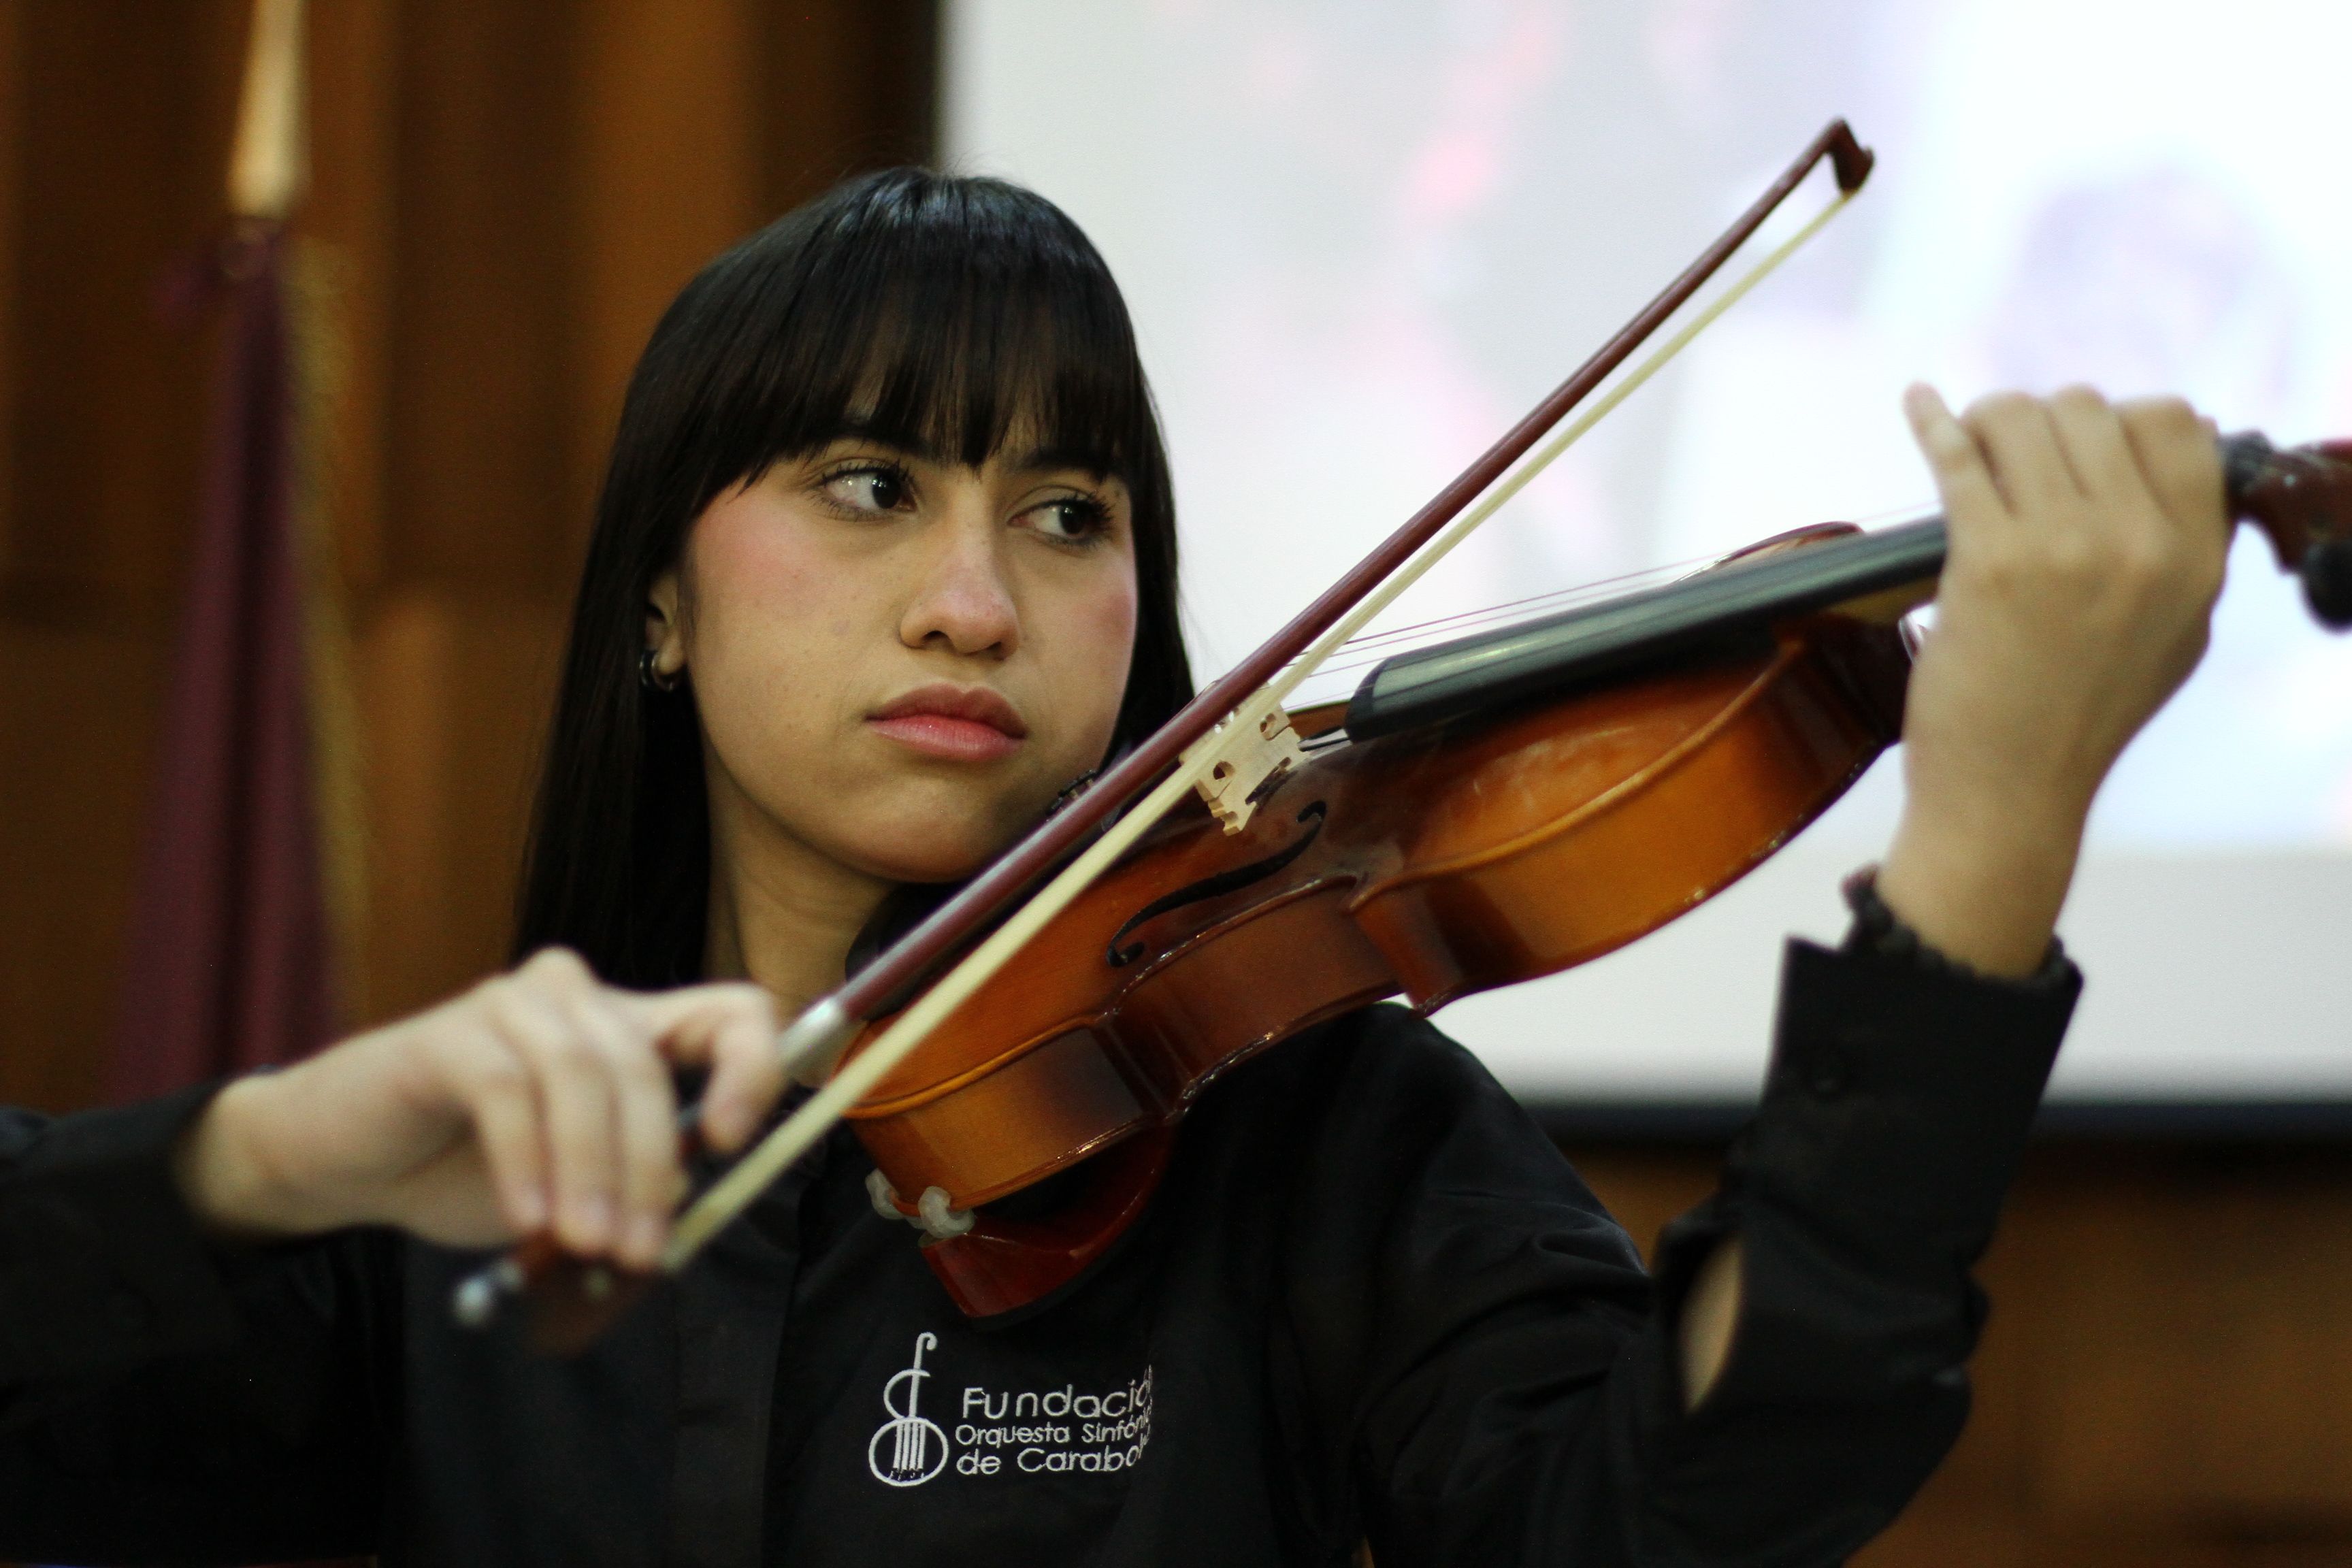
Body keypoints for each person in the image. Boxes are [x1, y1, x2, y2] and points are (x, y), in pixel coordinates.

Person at [0, 169, 2225, 1568]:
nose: (979, 599)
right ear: (658, 603)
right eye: (870, 486)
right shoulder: (439, 1193)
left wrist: (1990, 833)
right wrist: (262, 1158)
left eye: (1068, 514)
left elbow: (1678, 1512)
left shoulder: (1311, 1138)